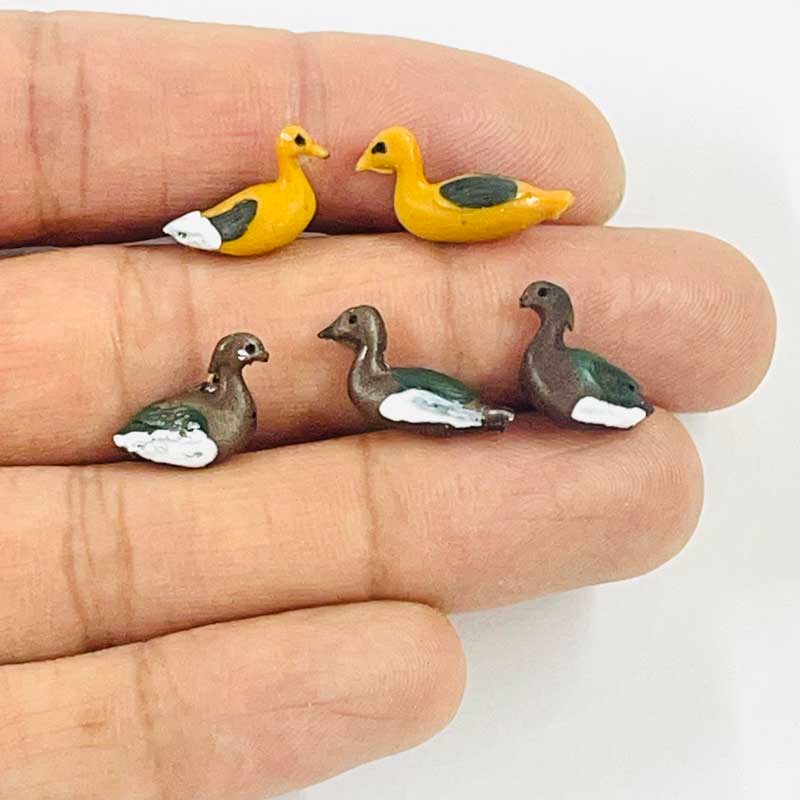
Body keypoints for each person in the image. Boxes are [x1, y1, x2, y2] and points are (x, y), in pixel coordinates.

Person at [0, 11, 775, 800]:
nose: (332, 339)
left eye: (349, 330)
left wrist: (485, 411)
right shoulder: (324, 346)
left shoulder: (399, 378)